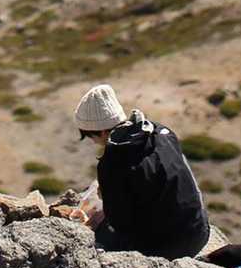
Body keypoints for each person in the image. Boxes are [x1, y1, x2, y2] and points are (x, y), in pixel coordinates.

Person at [74, 83, 209, 259]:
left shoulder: (113, 163)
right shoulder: (161, 132)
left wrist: (107, 197)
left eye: (90, 135)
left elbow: (120, 223)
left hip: (168, 248)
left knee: (92, 237)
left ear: (102, 132)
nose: (93, 141)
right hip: (199, 231)